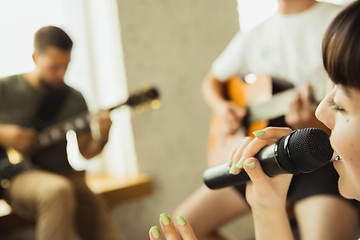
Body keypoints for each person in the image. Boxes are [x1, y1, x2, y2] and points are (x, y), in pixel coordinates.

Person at [148, 1, 360, 239]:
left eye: (339, 104)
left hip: (323, 154)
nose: (324, 109)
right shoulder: (256, 33)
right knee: (183, 224)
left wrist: (313, 124)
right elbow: (212, 81)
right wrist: (223, 108)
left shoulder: (344, 23)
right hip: (269, 154)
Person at [0, 26, 123, 240]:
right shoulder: (6, 88)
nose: (61, 74)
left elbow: (86, 152)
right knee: (57, 191)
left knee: (101, 219)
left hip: (64, 173)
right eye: (54, 67)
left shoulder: (75, 98)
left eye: (66, 66)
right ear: (35, 57)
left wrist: (103, 137)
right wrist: (3, 134)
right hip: (17, 176)